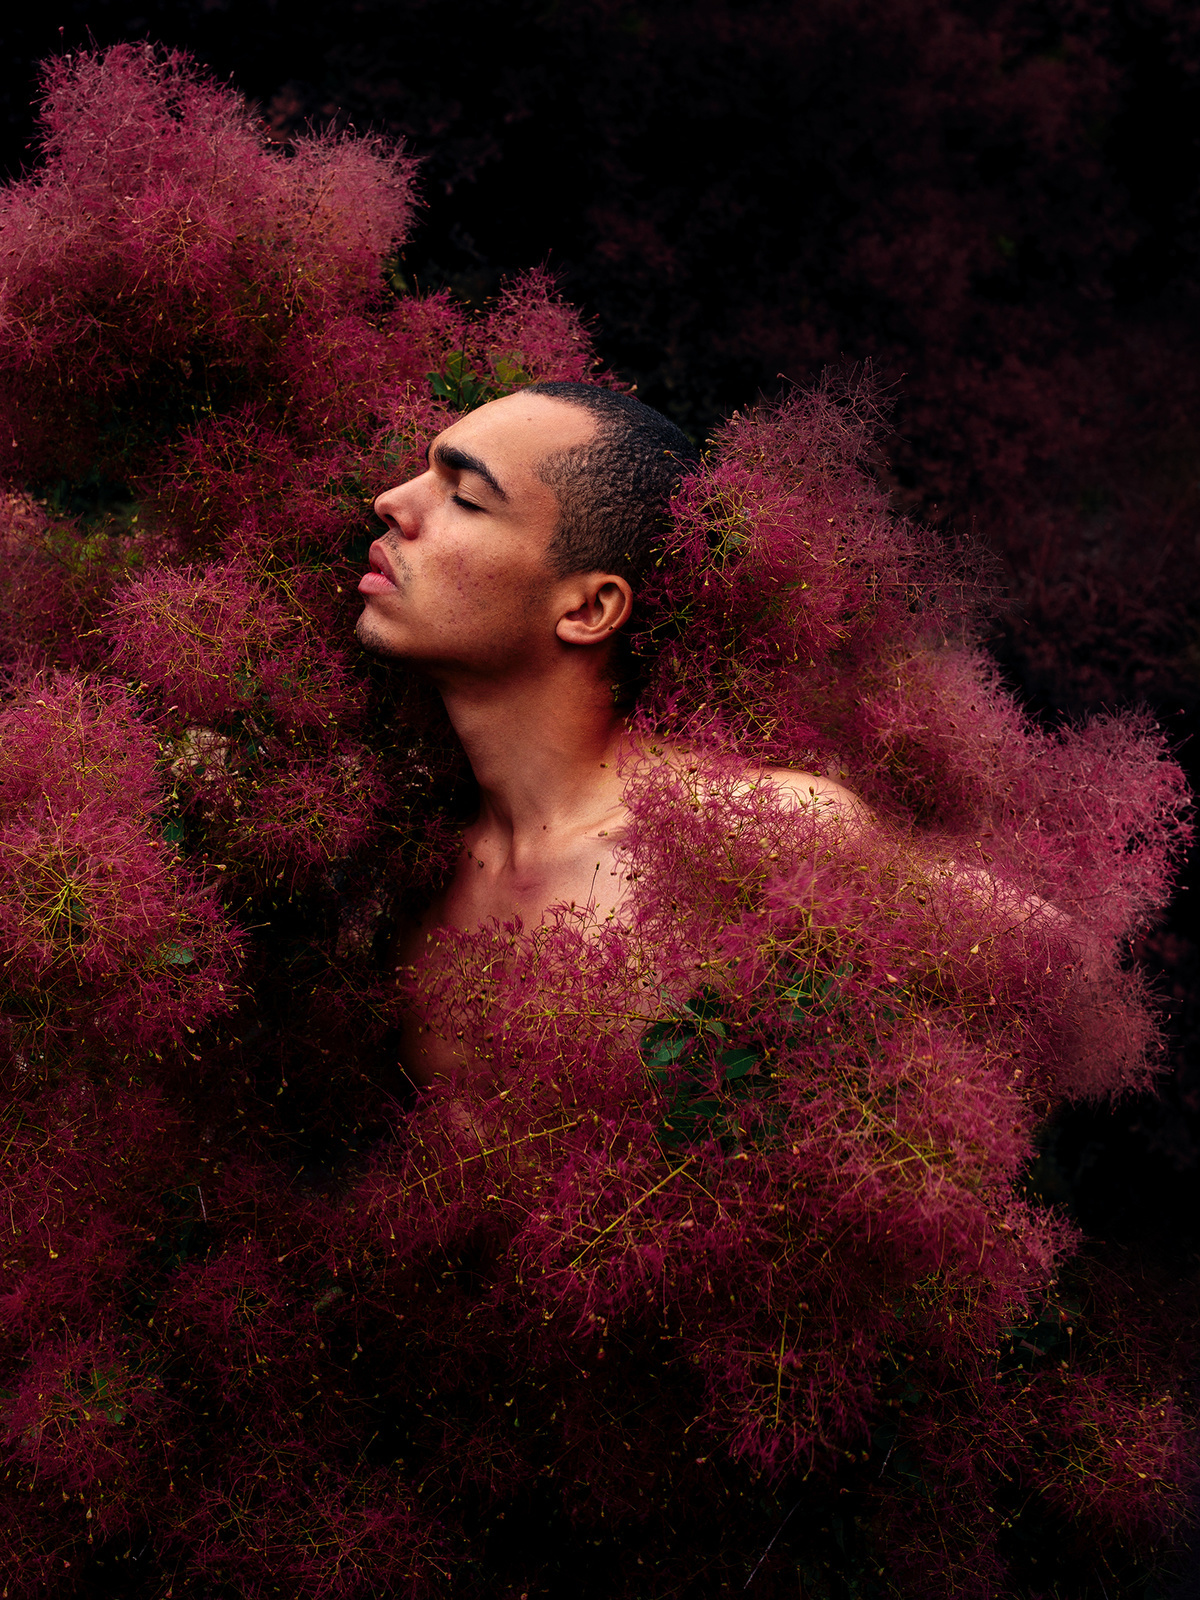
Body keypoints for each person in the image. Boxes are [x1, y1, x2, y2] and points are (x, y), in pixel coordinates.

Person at [356, 382, 866, 1083]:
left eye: (466, 497)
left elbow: (1054, 958)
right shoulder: (401, 853)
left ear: (591, 608)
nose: (392, 501)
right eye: (423, 470)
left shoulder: (765, 835)